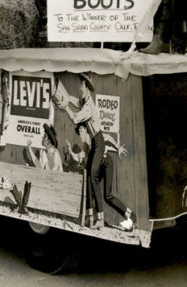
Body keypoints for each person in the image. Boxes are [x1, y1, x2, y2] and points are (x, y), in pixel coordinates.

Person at [54, 74, 134, 231]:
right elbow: (74, 100)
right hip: (97, 143)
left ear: (86, 88)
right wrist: (63, 96)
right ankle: (90, 217)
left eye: (80, 86)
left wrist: (64, 107)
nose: (79, 88)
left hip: (99, 143)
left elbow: (76, 118)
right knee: (89, 177)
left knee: (93, 176)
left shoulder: (89, 107)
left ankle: (99, 219)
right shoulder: (85, 101)